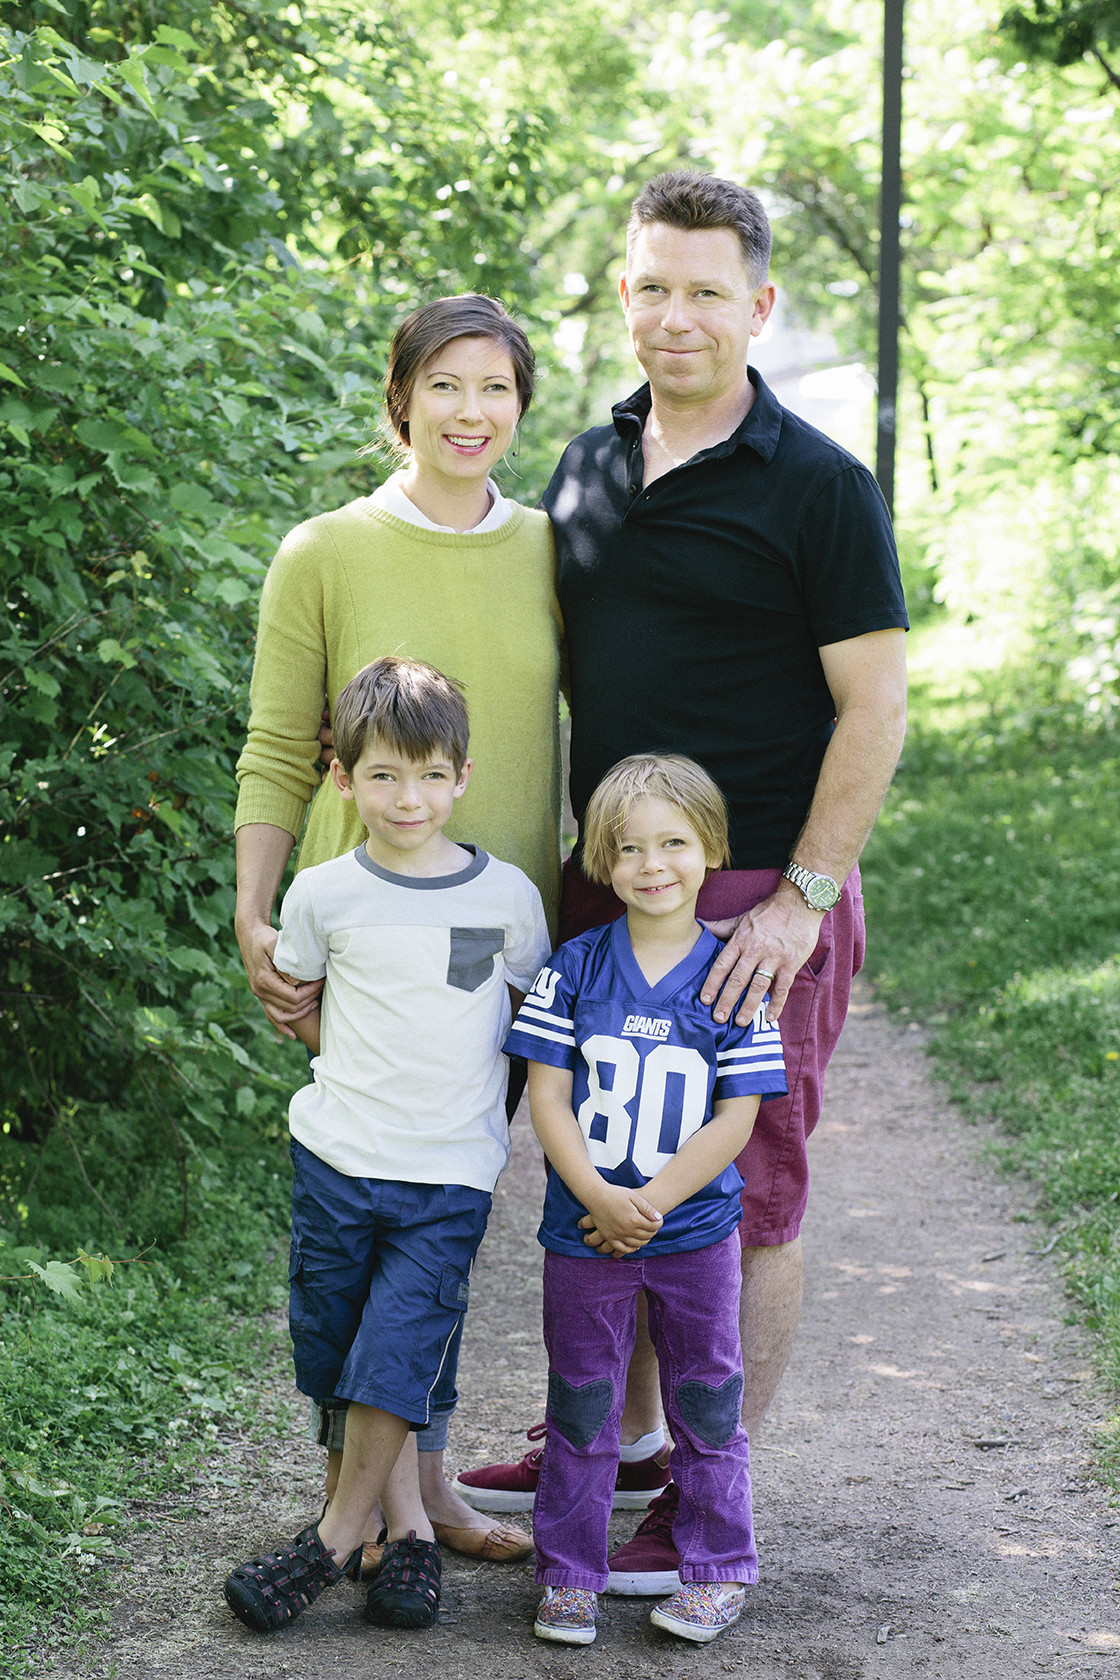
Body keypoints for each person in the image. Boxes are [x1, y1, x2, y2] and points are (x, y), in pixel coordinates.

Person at [453, 170, 909, 1594]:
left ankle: (706, 1496)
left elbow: (876, 708)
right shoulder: (586, 466)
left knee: (741, 1191)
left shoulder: (819, 485)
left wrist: (804, 899)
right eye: (652, 285)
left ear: (759, 304)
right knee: (610, 1174)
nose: (676, 314)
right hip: (608, 892)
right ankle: (615, 1440)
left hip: (754, 901)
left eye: (707, 289)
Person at [234, 293, 562, 1567]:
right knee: (365, 1228)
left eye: (495, 390)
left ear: (520, 407)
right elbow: (274, 750)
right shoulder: (322, 551)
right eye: (446, 387)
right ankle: (375, 1508)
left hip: (499, 936)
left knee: (448, 1202)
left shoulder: (550, 548)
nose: (471, 413)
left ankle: (414, 1501)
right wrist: (254, 912)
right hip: (360, 935)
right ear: (400, 398)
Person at [224, 657, 551, 1636]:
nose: (407, 799)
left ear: (462, 776)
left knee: (401, 1343)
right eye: (382, 776)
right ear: (343, 779)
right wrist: (372, 1070)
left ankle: (328, 1544)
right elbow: (305, 1007)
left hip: (448, 1170)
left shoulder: (504, 896)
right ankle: (403, 1530)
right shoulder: (324, 895)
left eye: (428, 776)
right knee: (335, 1348)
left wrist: (481, 1118)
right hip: (336, 1158)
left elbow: (524, 1018)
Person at [504, 754, 787, 1646]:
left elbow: (738, 1116)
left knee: (707, 1401)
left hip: (692, 1232)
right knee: (582, 1405)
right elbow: (547, 1094)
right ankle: (570, 1574)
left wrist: (651, 1202)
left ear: (712, 849)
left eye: (673, 842)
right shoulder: (576, 968)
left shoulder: (732, 975)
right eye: (628, 848)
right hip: (583, 1233)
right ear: (600, 858)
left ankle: (715, 1567)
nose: (651, 864)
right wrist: (596, 1194)